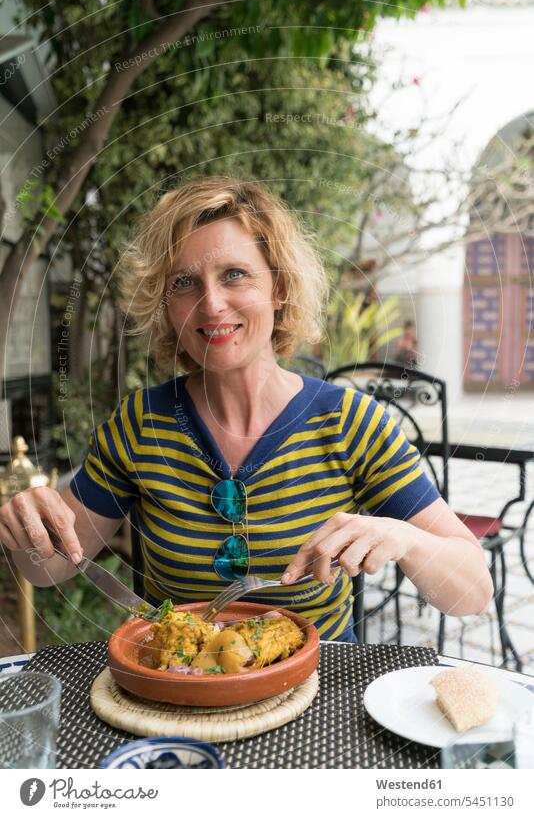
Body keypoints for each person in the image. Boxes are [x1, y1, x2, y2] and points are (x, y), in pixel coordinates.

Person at [0, 178, 493, 642]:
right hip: (179, 696)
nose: (211, 303)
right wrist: (27, 528)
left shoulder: (351, 423)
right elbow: (50, 567)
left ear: (278, 288)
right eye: (184, 283)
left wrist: (404, 536)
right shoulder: (140, 425)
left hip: (318, 703)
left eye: (235, 275)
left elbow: (473, 593)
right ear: (166, 304)